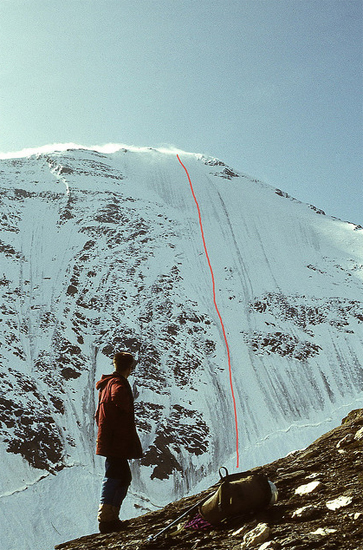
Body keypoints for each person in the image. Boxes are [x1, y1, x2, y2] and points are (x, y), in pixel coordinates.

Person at [95, 351, 143, 534]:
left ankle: (110, 518)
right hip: (117, 441)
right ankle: (107, 520)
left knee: (120, 476)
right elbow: (118, 397)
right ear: (129, 367)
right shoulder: (118, 384)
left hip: (110, 440)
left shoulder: (106, 383)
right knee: (116, 477)